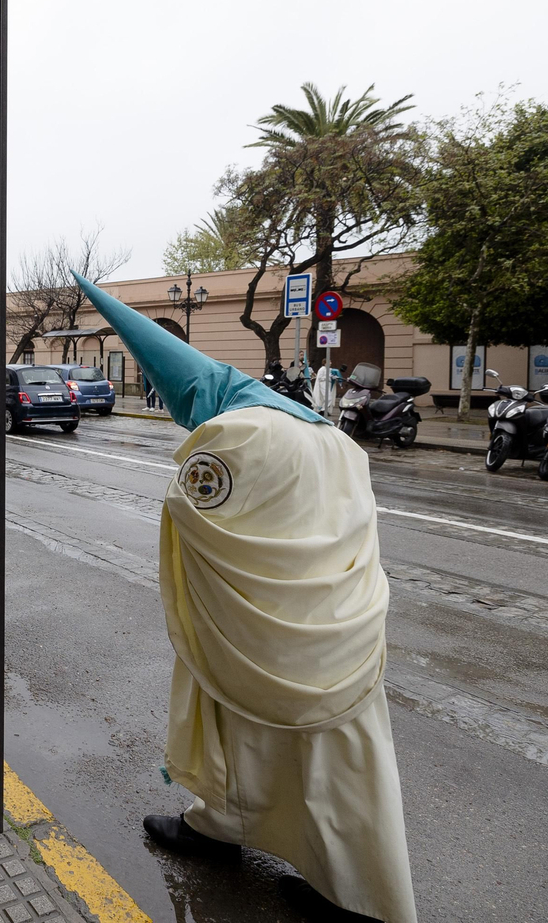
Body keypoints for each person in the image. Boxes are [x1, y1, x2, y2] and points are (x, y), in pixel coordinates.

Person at [74, 273, 416, 923]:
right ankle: (242, 835)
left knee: (257, 729)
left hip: (257, 631)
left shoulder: (237, 431)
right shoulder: (330, 435)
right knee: (332, 760)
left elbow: (198, 509)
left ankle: (356, 901)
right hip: (336, 623)